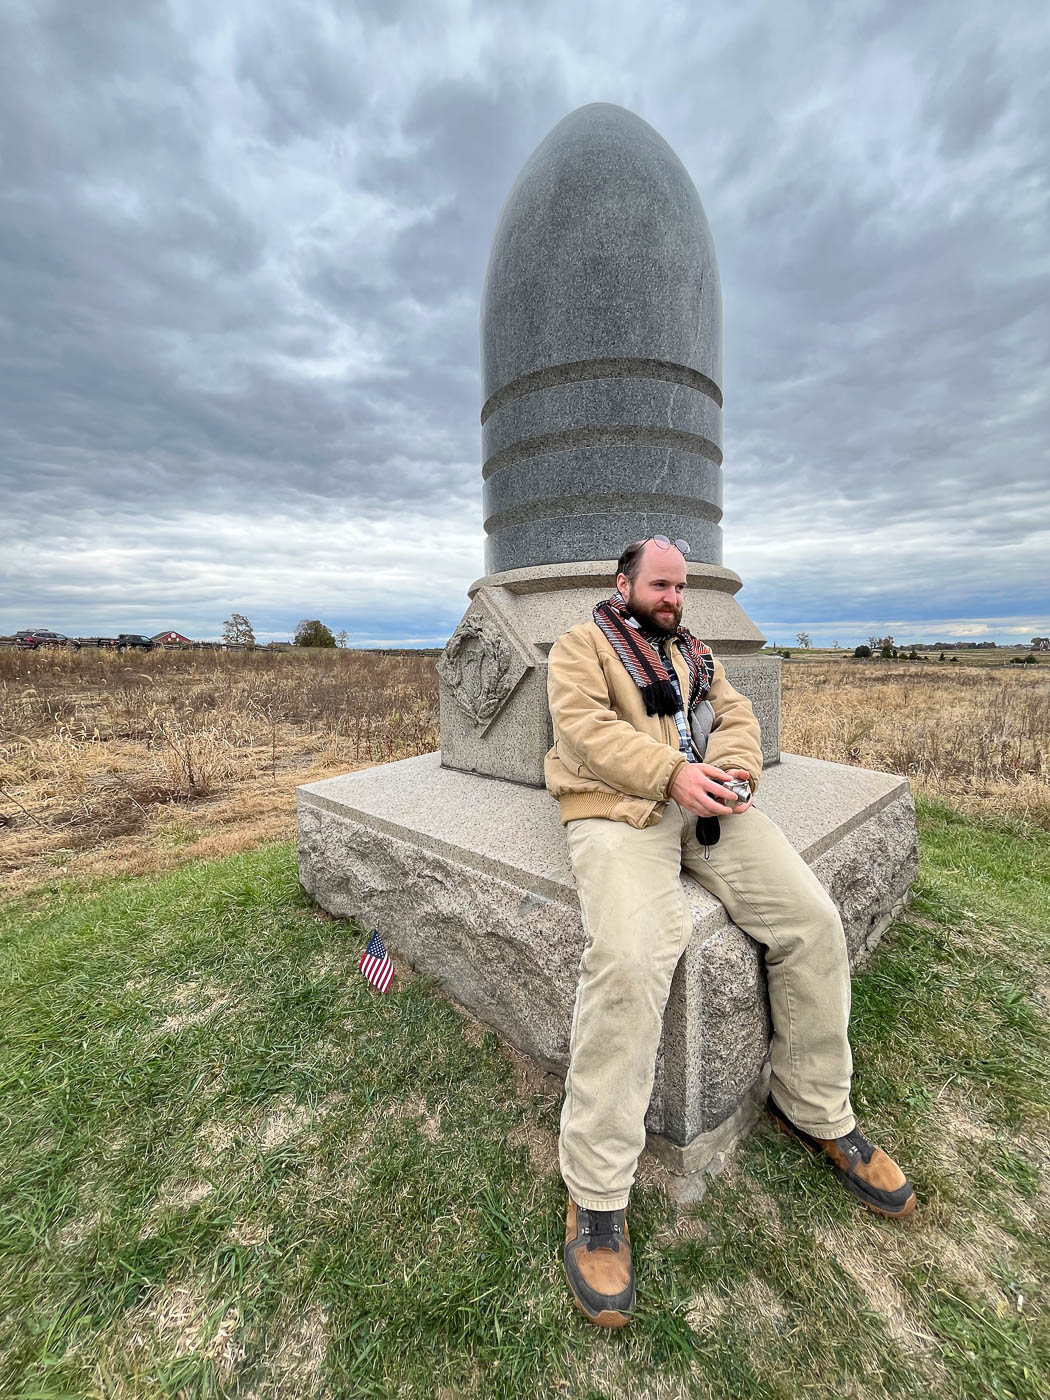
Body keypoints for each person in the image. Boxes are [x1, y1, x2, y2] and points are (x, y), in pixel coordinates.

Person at [544, 535, 915, 1328]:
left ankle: (814, 1106)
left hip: (709, 804)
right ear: (624, 583)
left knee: (813, 921)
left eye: (681, 586)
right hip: (620, 809)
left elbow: (738, 717)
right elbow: (582, 731)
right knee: (631, 955)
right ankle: (598, 1191)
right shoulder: (581, 646)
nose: (673, 598)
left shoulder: (695, 654)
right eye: (660, 584)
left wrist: (734, 770)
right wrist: (671, 772)